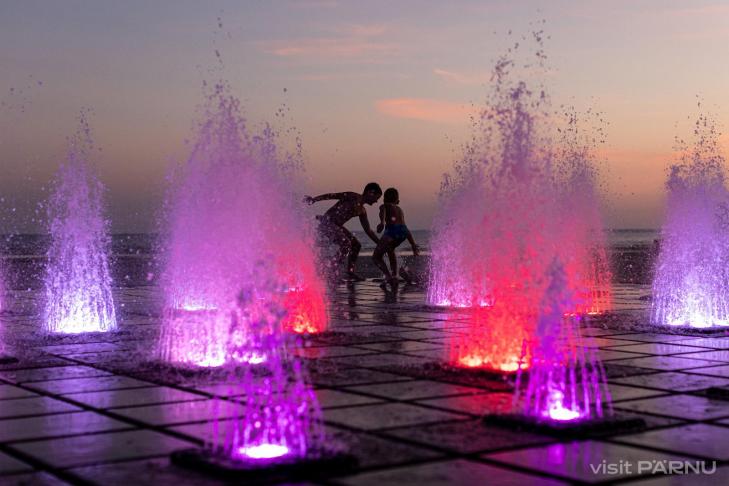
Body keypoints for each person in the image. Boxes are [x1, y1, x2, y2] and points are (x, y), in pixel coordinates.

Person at [305, 182, 382, 280]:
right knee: (346, 245)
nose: (376, 201)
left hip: (336, 225)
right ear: (370, 192)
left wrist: (379, 243)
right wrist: (314, 199)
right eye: (377, 197)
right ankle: (331, 271)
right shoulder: (352, 196)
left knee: (356, 245)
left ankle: (350, 272)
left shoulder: (362, 211)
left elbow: (368, 230)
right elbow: (332, 195)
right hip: (327, 222)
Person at [373, 187, 419, 288]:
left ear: (384, 199)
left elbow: (383, 212)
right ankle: (395, 275)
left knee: (376, 257)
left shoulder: (385, 205)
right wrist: (413, 245)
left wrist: (382, 222)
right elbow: (404, 227)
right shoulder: (400, 210)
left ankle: (389, 277)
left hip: (391, 231)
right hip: (403, 232)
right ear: (397, 200)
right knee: (390, 250)